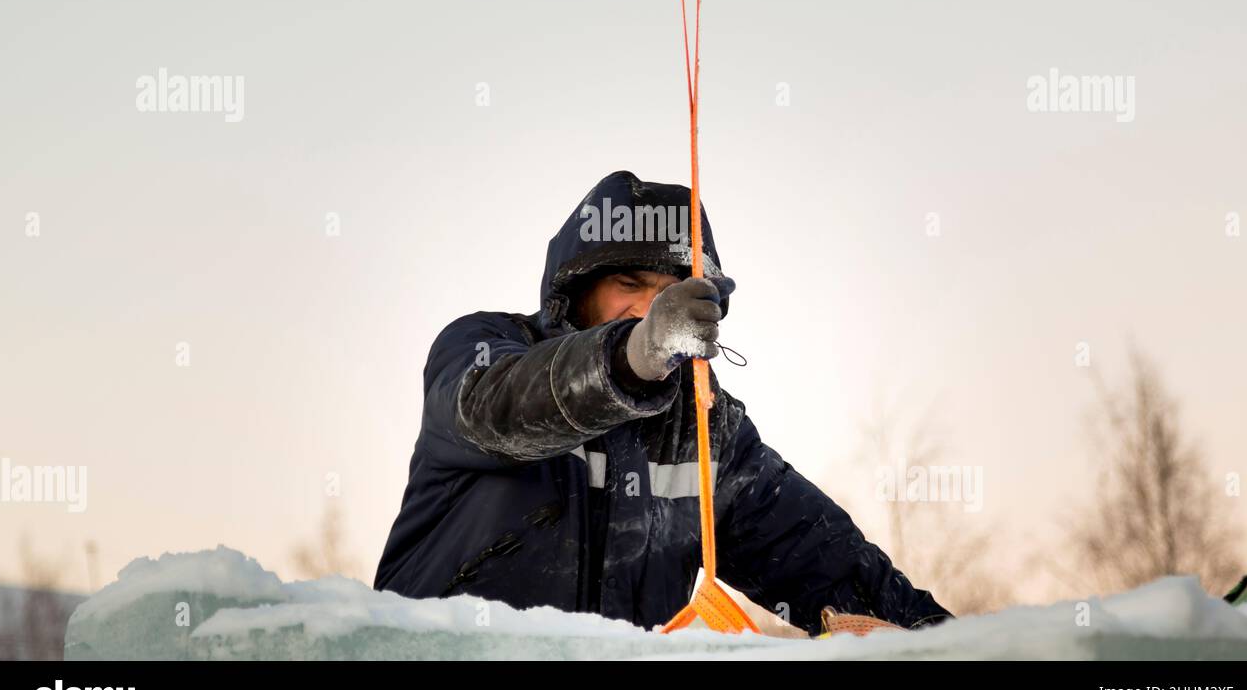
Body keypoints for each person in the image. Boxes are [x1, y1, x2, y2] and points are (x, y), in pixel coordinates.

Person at [374, 170, 952, 635]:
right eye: (630, 285)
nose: (653, 309)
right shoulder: (483, 347)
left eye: (672, 293)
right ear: (577, 291)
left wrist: (956, 646)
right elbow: (492, 409)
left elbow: (824, 559)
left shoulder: (710, 434)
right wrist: (630, 357)